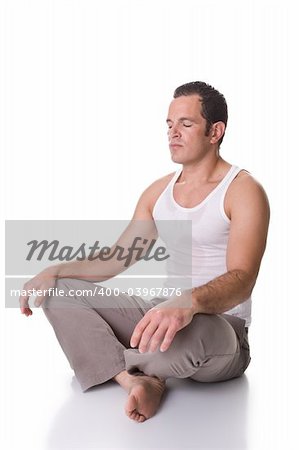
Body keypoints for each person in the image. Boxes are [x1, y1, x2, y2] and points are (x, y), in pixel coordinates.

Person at [19, 81, 270, 423]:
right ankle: (134, 378)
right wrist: (56, 270)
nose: (173, 133)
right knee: (60, 292)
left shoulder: (243, 191)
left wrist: (189, 303)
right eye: (169, 124)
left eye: (186, 123)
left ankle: (107, 357)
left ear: (216, 131)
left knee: (183, 338)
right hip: (159, 315)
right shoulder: (157, 192)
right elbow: (116, 258)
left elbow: (243, 279)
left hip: (220, 328)